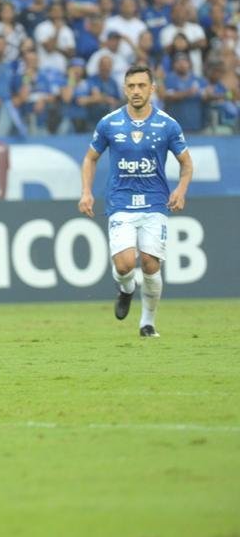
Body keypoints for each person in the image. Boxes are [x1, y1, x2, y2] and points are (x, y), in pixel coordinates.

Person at [78, 64, 194, 338]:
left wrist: (181, 190)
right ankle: (126, 288)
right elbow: (90, 158)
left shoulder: (167, 124)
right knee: (125, 265)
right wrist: (86, 191)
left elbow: (186, 164)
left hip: (155, 202)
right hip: (121, 200)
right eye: (131, 86)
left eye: (142, 85)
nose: (136, 91)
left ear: (152, 89)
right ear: (124, 89)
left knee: (152, 264)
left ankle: (147, 322)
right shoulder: (109, 123)